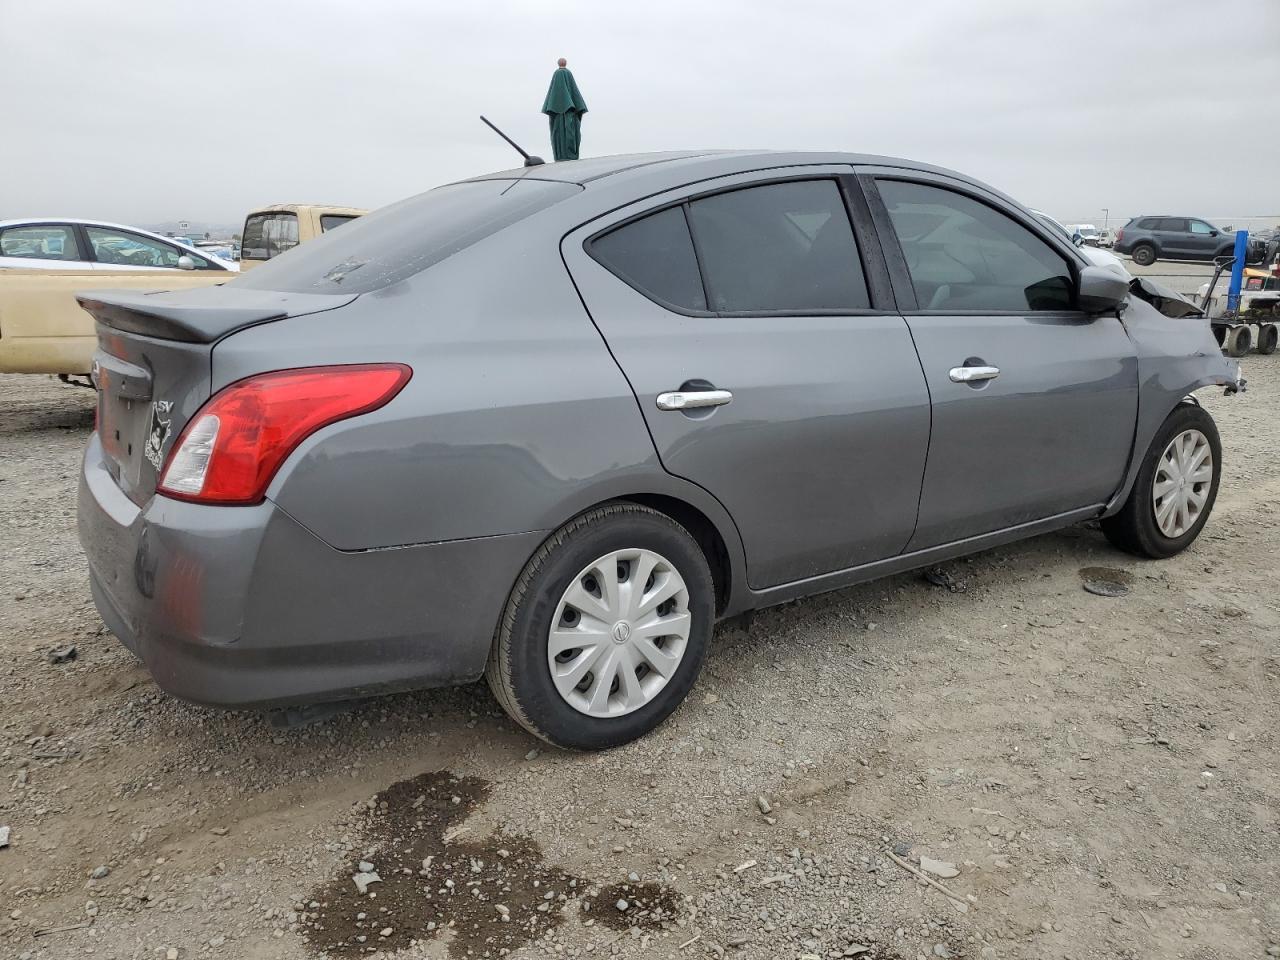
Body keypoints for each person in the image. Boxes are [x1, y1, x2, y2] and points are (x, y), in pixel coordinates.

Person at [542, 58, 588, 162]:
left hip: (567, 113)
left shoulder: (559, 74)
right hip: (564, 114)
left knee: (565, 132)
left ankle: (566, 156)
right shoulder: (563, 74)